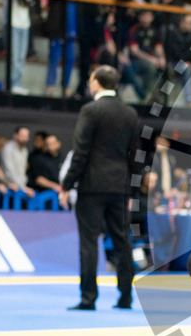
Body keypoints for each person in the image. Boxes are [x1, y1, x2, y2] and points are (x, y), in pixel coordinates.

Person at [59, 66, 139, 311]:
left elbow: (80, 152)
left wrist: (66, 184)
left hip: (92, 186)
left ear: (96, 83)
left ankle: (88, 297)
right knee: (122, 241)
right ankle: (126, 296)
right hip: (120, 186)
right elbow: (135, 155)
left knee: (89, 242)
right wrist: (131, 190)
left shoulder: (90, 110)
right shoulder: (130, 113)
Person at [0, 125, 35, 196]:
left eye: (27, 136)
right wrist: (23, 188)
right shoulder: (8, 148)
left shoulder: (25, 150)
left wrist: (23, 186)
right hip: (9, 188)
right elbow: (9, 171)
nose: (25, 138)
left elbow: (22, 170)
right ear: (15, 135)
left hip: (22, 187)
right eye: (23, 136)